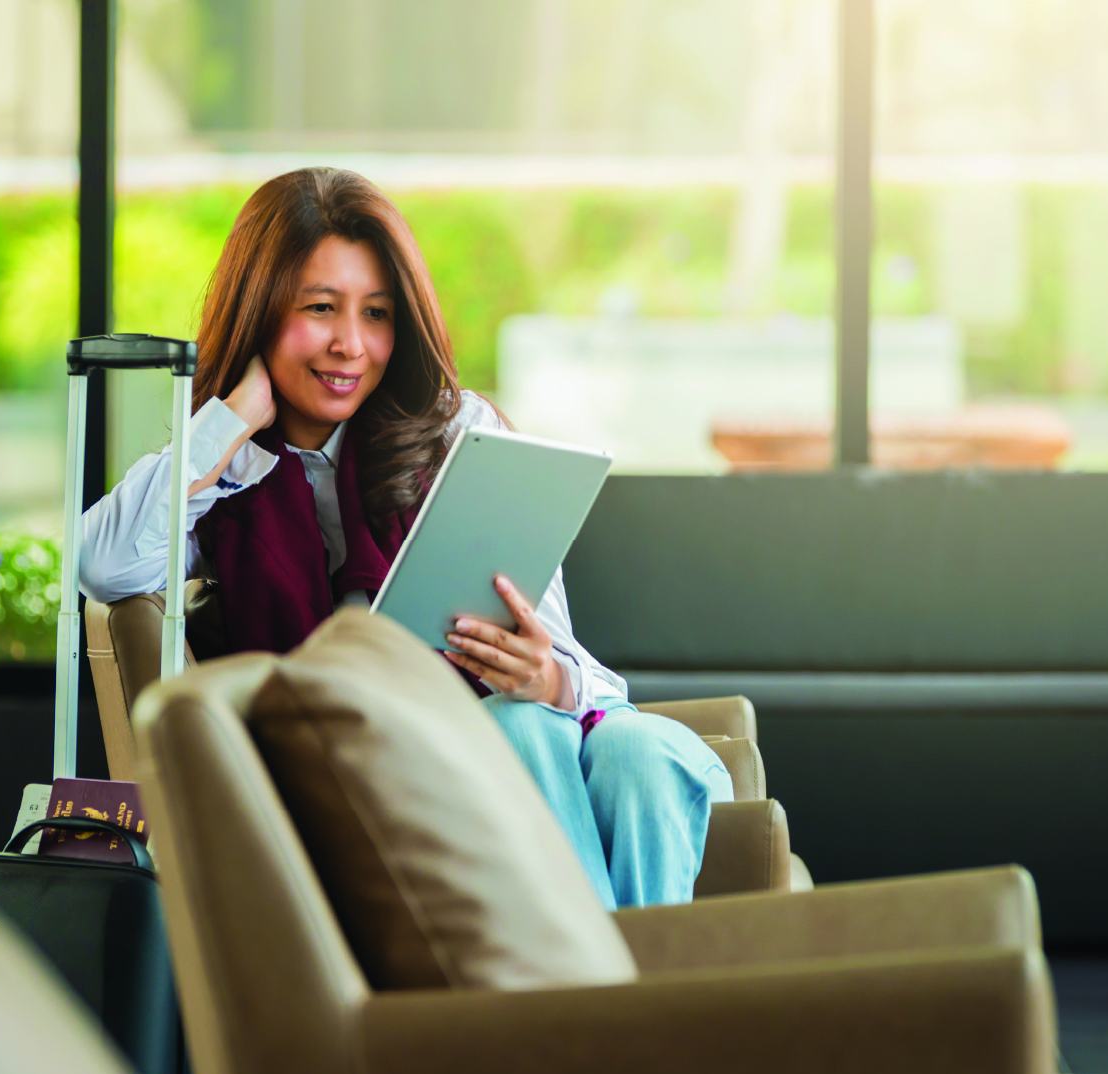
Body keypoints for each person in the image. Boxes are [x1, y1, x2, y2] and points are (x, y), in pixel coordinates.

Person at [78, 167, 732, 909]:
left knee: (628, 747)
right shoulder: (226, 476)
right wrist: (229, 422)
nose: (351, 345)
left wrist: (545, 677)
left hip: (548, 739)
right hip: (383, 783)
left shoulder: (455, 434)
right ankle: (626, 1011)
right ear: (259, 314)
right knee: (526, 730)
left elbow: (570, 669)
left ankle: (593, 1010)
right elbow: (104, 563)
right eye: (320, 308)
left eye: (378, 314)